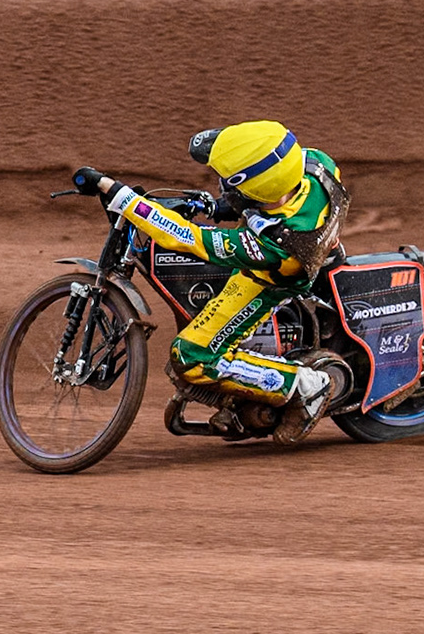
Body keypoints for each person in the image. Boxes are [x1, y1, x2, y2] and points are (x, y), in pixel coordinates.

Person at [70, 119, 349, 443]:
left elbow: (186, 237)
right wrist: (213, 206)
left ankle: (307, 386)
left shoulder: (271, 245)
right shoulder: (314, 164)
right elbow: (271, 196)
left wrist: (120, 195)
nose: (224, 184)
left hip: (272, 279)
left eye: (231, 183)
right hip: (320, 244)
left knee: (190, 355)